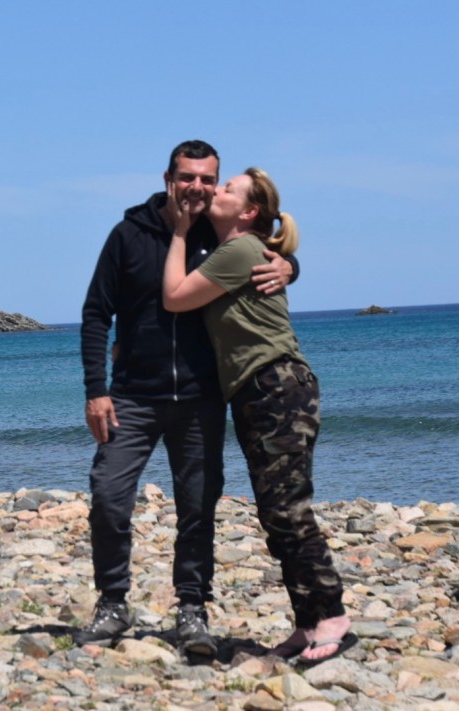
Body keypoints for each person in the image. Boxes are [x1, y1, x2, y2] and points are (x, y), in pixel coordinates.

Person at [76, 141, 297, 655]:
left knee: (198, 507)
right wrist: (95, 391)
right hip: (132, 395)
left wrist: (291, 266)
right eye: (187, 177)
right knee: (108, 496)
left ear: (215, 184)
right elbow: (95, 314)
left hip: (201, 398)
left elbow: (265, 245)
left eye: (207, 179)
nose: (197, 187)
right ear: (168, 178)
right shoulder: (129, 234)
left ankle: (192, 610)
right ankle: (112, 603)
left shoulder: (216, 234)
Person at [161, 166, 353, 665]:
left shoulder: (240, 249)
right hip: (259, 391)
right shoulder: (236, 247)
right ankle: (308, 621)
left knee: (287, 509)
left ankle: (332, 616)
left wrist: (179, 233)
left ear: (248, 211)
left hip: (276, 385)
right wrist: (291, 264)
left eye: (227, 188)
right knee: (275, 511)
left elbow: (175, 297)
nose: (214, 190)